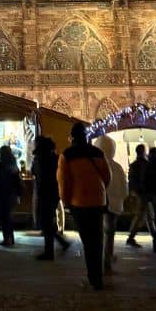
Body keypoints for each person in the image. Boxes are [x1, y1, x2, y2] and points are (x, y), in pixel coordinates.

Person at [57, 122, 110, 290]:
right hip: (98, 201)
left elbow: (63, 182)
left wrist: (65, 201)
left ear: (72, 137)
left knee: (88, 241)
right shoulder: (98, 153)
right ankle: (98, 277)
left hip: (79, 202)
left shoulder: (66, 155)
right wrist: (99, 191)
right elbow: (107, 176)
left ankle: (93, 278)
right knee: (97, 239)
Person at [32, 135, 70, 260]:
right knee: (48, 221)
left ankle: (50, 252)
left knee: (46, 222)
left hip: (44, 193)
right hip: (54, 193)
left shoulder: (40, 159)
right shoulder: (56, 158)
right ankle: (60, 243)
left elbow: (36, 174)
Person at [93, 135, 127, 273]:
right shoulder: (117, 167)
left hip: (97, 204)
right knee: (109, 234)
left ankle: (98, 261)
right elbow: (123, 188)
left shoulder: (94, 166)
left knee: (98, 234)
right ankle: (107, 259)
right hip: (113, 206)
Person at [125, 145, 154, 246]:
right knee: (142, 216)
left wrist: (133, 192)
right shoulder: (145, 164)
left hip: (139, 193)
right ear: (143, 152)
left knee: (147, 215)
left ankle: (154, 236)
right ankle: (131, 237)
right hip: (144, 193)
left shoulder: (133, 164)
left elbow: (131, 180)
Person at [0, 145, 22, 247]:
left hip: (3, 194)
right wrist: (19, 194)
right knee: (8, 217)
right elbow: (17, 181)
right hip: (12, 194)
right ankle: (11, 238)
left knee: (5, 218)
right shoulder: (14, 164)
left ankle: (7, 239)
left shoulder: (1, 165)